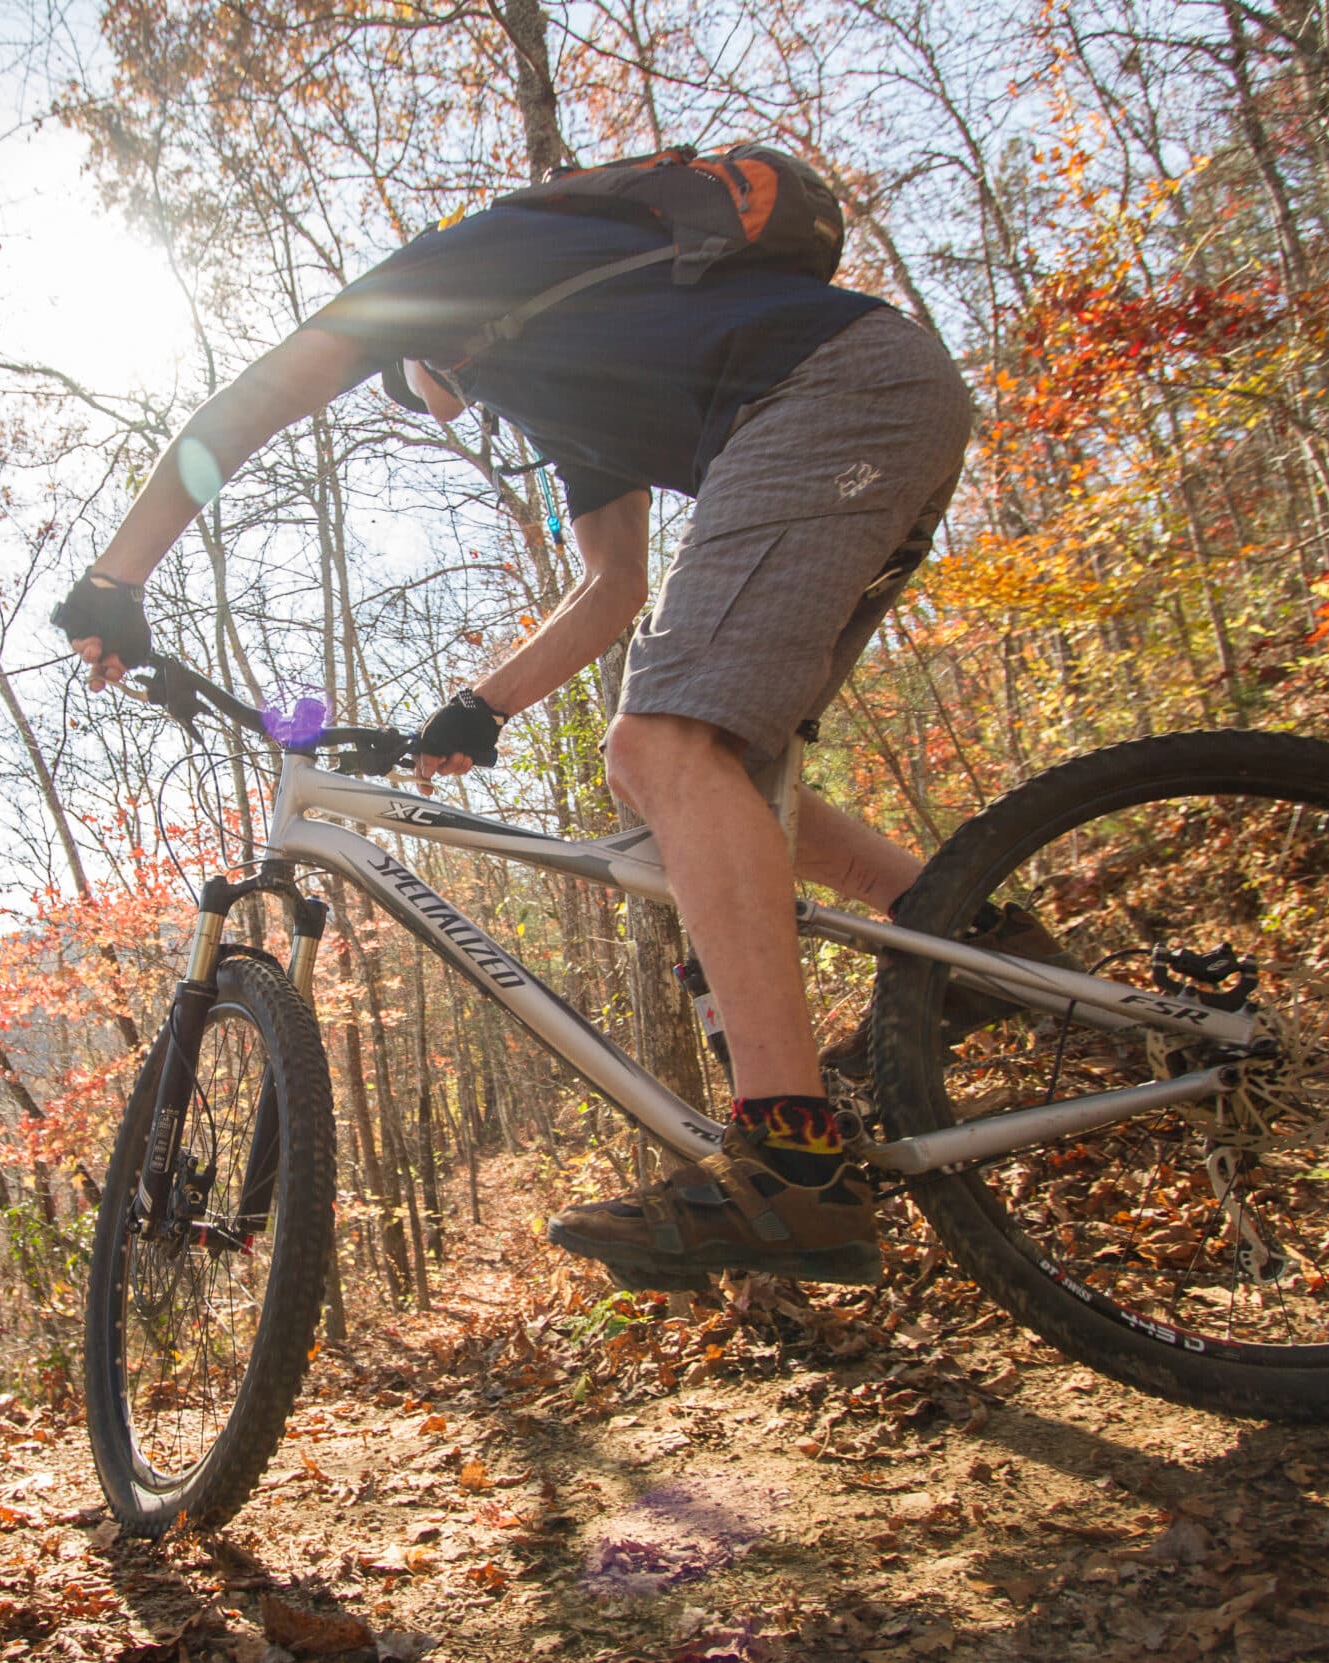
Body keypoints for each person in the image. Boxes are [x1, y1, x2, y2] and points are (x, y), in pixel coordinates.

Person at [54, 158, 1065, 1289]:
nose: (422, 402)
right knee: (678, 777)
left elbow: (246, 406)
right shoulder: (567, 378)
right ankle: (981, 948)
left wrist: (116, 581)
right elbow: (610, 588)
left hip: (833, 398)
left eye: (401, 386)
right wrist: (482, 707)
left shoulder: (453, 266)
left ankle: (792, 1161)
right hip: (871, 403)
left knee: (659, 746)